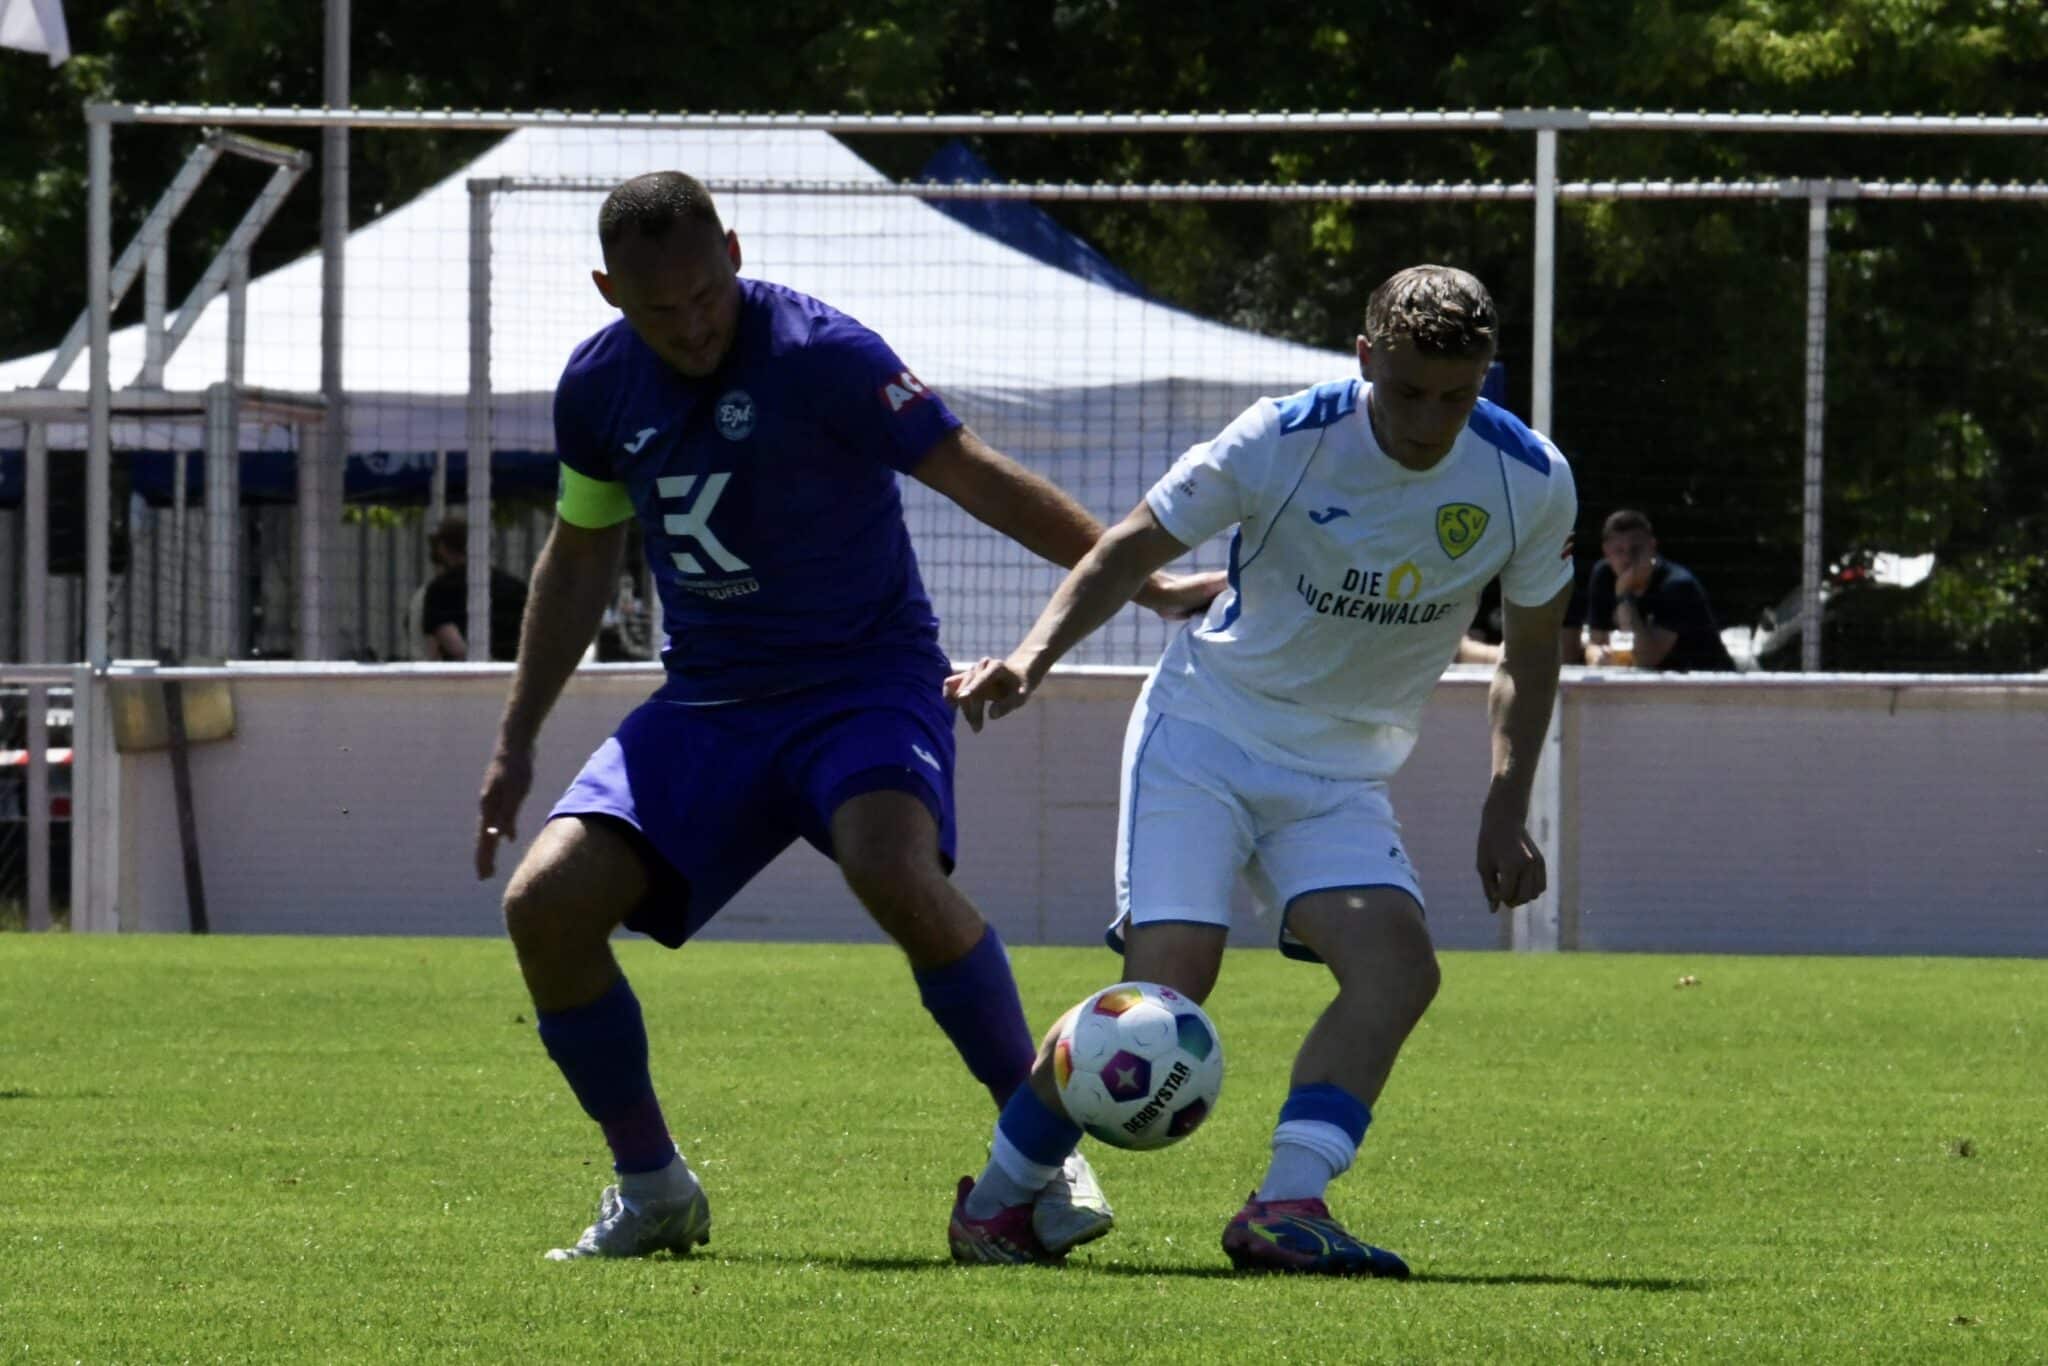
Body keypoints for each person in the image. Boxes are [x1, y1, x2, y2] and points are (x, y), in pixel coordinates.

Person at [472, 171, 1222, 1261]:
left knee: (891, 866)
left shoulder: (822, 353)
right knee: (542, 904)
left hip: (862, 684)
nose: (687, 325)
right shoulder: (596, 388)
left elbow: (974, 474)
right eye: (655, 310)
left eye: (703, 296)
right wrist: (513, 740)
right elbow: (580, 553)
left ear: (732, 251)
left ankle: (1043, 1148)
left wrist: (1138, 584)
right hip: (709, 704)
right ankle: (653, 1187)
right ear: (606, 292)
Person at [945, 264, 1578, 1274]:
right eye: (1407, 390)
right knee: (1164, 994)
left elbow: (1531, 654)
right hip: (1206, 732)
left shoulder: (1528, 478)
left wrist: (1504, 804)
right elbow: (1127, 545)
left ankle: (1285, 1204)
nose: (1429, 421)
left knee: (1397, 967)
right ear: (1365, 358)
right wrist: (1030, 658)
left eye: (1456, 397)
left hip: (1337, 774)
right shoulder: (1280, 436)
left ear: (1485, 378)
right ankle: (998, 1201)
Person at [1583, 509, 1735, 671]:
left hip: (1704, 683)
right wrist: (1597, 658)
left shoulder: (1678, 586)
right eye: (1619, 551)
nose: (1628, 559)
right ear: (1606, 552)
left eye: (1636, 550)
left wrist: (1623, 596)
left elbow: (1646, 659)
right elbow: (1595, 642)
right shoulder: (1603, 575)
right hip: (1647, 687)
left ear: (1652, 547)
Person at [418, 515, 530, 662]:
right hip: (513, 671)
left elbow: (452, 643)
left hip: (464, 677)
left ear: (443, 547)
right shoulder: (515, 586)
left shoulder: (439, 589)